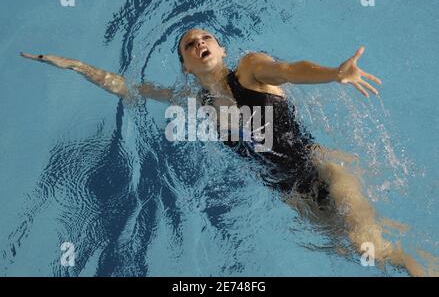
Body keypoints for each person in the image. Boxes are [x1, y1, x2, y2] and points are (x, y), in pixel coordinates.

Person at [20, 28, 425, 276]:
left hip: (324, 170)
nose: (200, 44)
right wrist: (74, 65)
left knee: (368, 247)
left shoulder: (250, 69)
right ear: (186, 65)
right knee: (354, 252)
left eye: (206, 38)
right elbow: (128, 88)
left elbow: (291, 69)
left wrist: (334, 74)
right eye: (190, 45)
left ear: (221, 48)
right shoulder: (195, 101)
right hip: (291, 195)